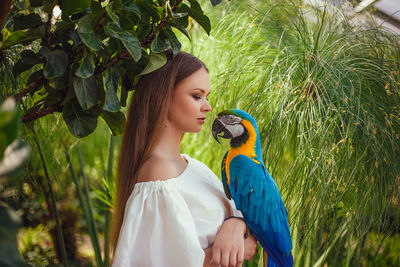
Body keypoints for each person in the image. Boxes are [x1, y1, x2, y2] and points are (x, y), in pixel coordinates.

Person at [110, 51, 257, 267]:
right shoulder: (158, 174)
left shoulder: (194, 168)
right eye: (197, 96)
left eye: (207, 96)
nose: (207, 106)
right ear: (163, 97)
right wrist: (234, 250)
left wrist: (235, 225)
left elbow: (240, 215)